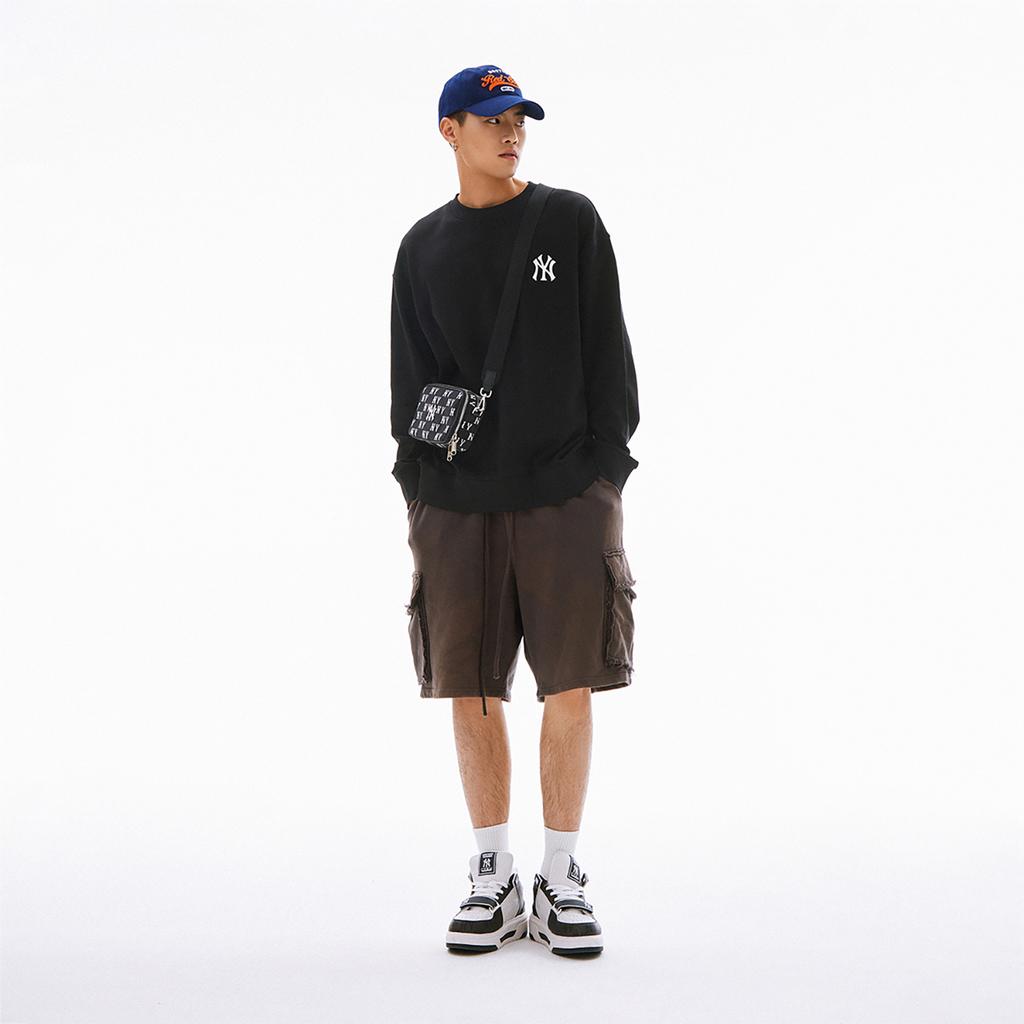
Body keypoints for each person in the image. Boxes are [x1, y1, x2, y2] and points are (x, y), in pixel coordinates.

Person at [389, 64, 640, 957]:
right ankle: (492, 875)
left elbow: (610, 356)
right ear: (449, 130)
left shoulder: (568, 220)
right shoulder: (423, 246)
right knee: (472, 690)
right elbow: (408, 381)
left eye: (519, 119)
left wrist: (603, 474)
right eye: (492, 119)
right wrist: (420, 484)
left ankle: (561, 876)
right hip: (457, 503)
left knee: (571, 684)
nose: (511, 133)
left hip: (566, 493)